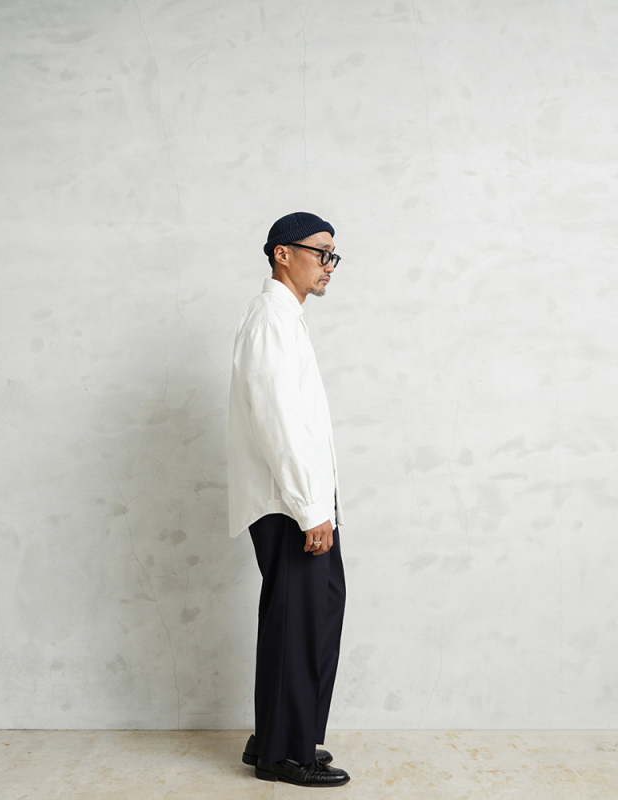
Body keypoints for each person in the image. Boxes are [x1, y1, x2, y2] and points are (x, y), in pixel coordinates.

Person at [228, 212, 349, 788]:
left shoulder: (285, 319)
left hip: (299, 500)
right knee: (298, 622)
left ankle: (279, 736)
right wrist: (309, 507)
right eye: (320, 252)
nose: (329, 265)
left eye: (333, 256)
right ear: (283, 253)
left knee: (313, 614)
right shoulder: (271, 319)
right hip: (289, 504)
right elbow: (276, 420)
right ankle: (282, 753)